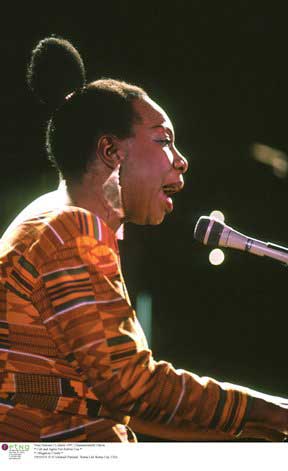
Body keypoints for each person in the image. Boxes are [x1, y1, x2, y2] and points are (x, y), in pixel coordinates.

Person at [0, 36, 287, 443]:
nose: (181, 160)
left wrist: (257, 429)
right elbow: (133, 387)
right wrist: (272, 412)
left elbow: (123, 404)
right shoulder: (71, 230)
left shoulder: (46, 219)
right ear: (110, 151)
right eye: (163, 140)